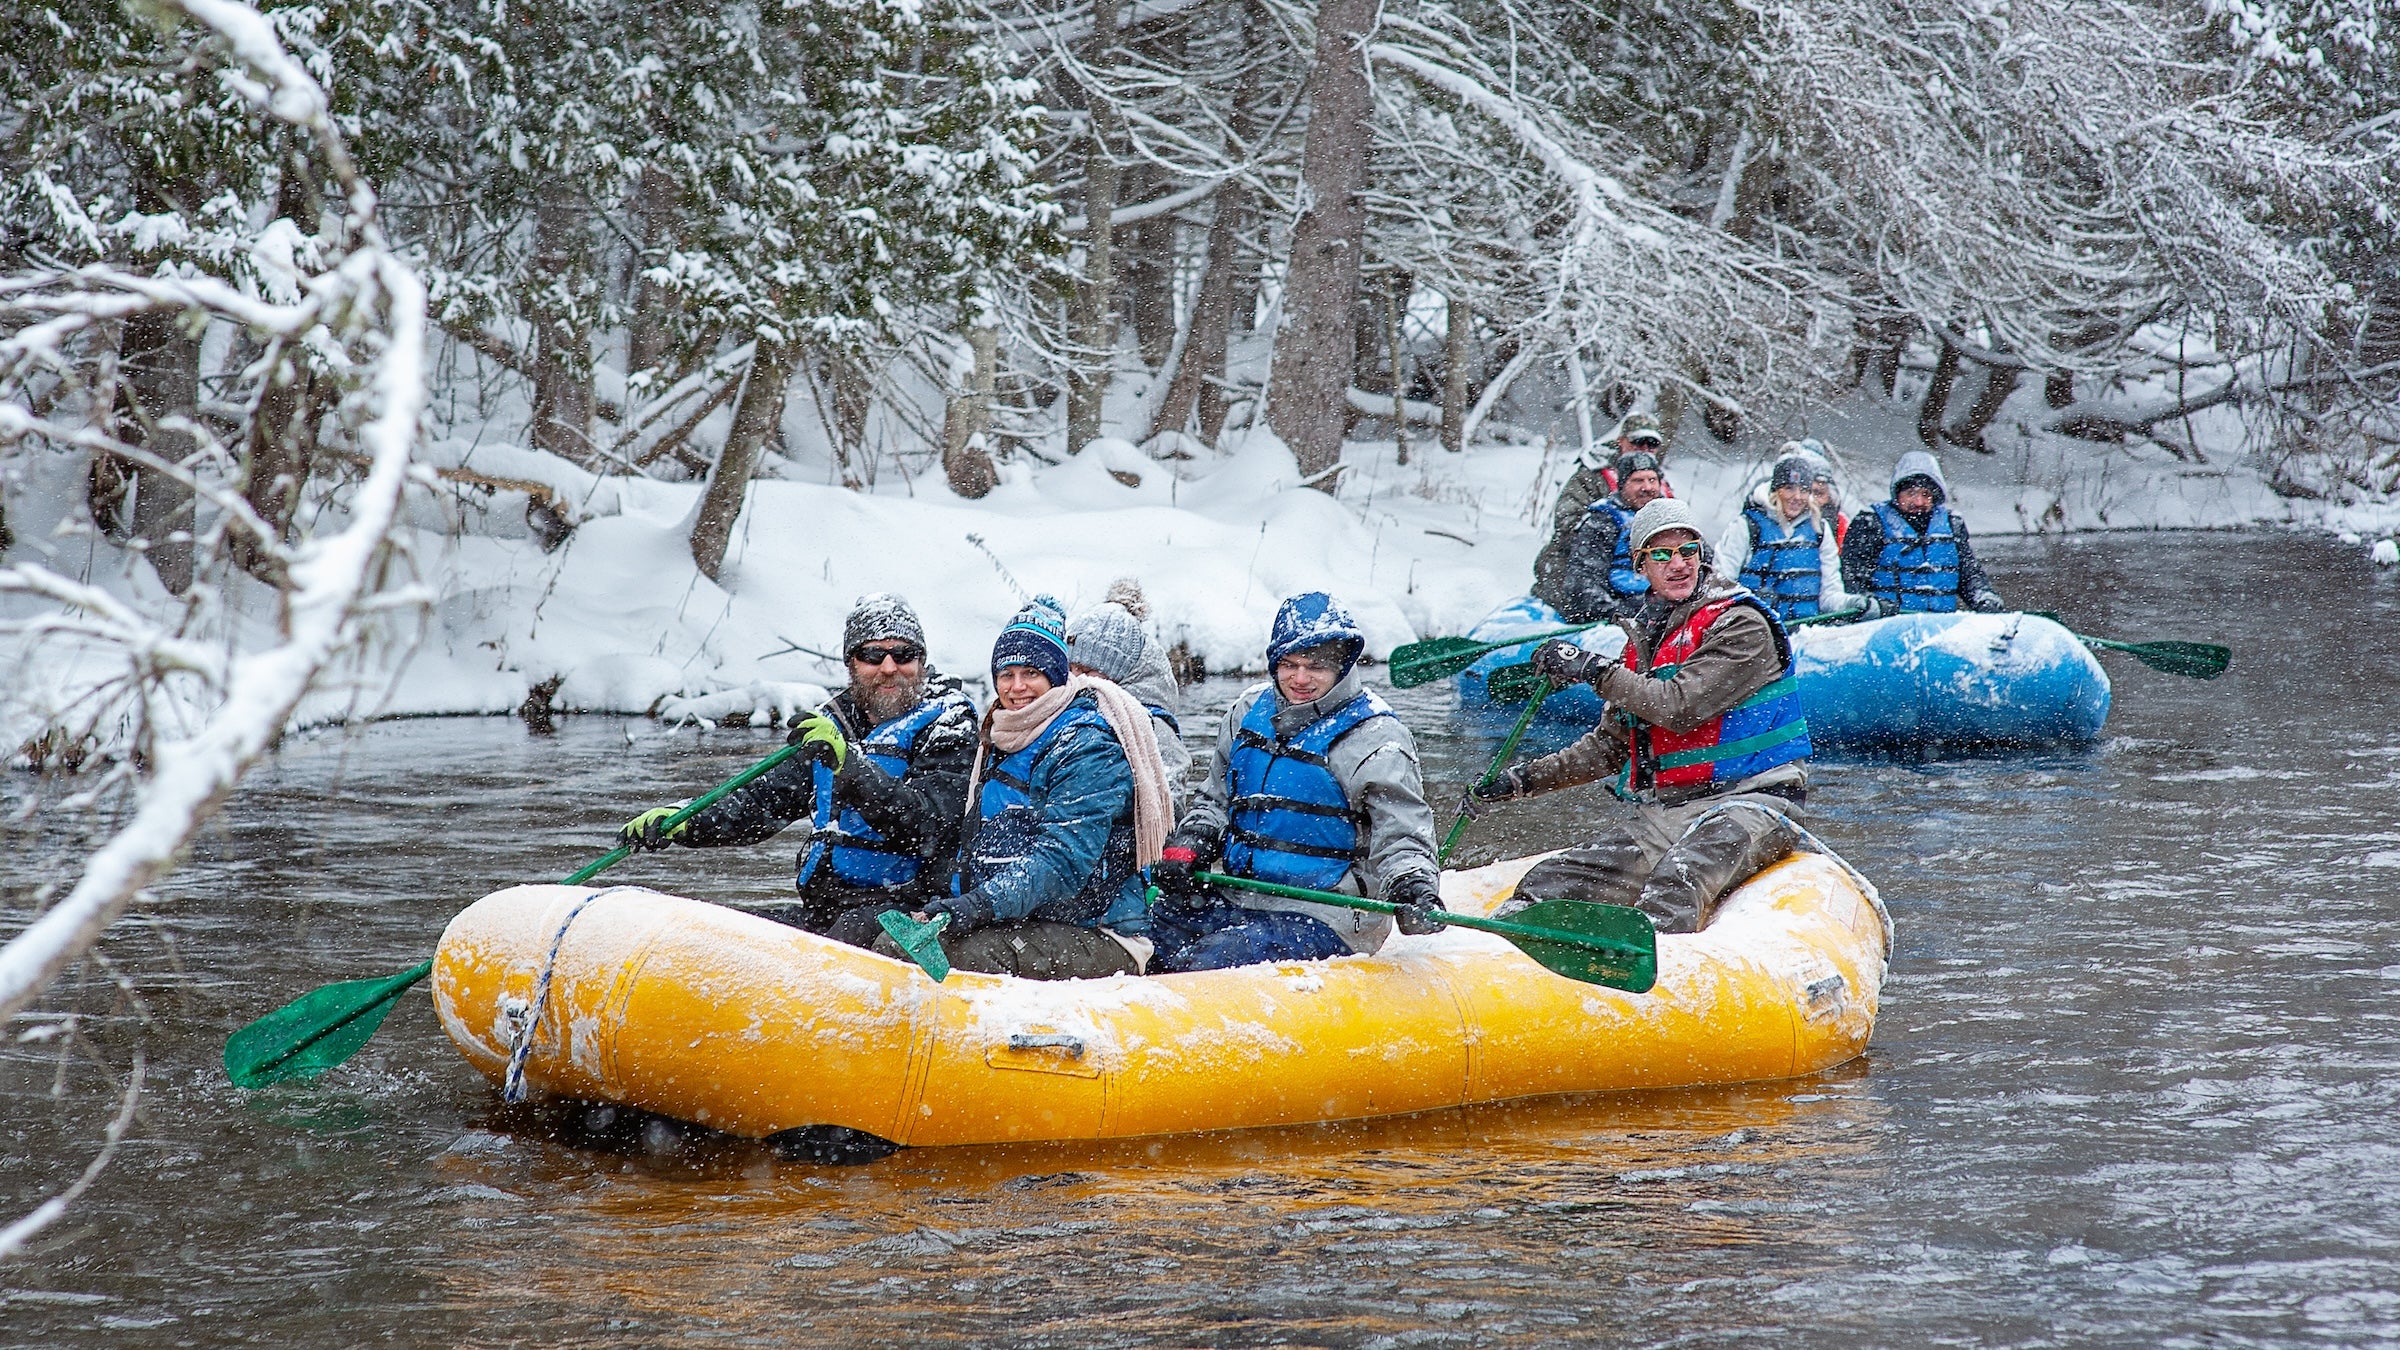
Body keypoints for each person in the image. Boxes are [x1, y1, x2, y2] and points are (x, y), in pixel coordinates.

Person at [1467, 499, 1810, 935]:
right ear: (1640, 565)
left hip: (1753, 801)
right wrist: (1519, 782)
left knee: (1675, 886)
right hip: (1669, 812)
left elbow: (1678, 707)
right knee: (1548, 885)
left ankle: (1664, 983)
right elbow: (1610, 748)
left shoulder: (1741, 625)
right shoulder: (1645, 640)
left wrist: (1591, 669)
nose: (1679, 564)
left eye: (1688, 551)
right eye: (1662, 555)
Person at [616, 593, 978, 943]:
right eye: (872, 655)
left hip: (910, 911)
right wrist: (684, 822)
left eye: (903, 654)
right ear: (851, 663)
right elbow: (757, 805)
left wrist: (850, 768)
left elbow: (927, 824)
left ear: (920, 661)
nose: (889, 667)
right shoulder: (831, 726)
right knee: (734, 933)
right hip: (827, 907)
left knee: (846, 935)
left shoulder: (950, 724)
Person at [872, 599, 1173, 979]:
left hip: (1101, 931)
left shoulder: (1087, 746)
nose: (1017, 688)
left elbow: (1063, 863)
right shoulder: (1002, 736)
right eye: (1006, 674)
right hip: (1021, 917)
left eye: (1031, 673)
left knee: (969, 959)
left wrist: (977, 906)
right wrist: (945, 906)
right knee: (892, 946)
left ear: (1057, 677)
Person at [1147, 592, 1445, 972]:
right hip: (1237, 895)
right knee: (1145, 938)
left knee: (1206, 965)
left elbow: (1402, 832)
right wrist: (1196, 839)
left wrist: (1412, 884)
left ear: (1342, 666)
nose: (1300, 679)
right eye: (1289, 664)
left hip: (1326, 914)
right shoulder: (1245, 713)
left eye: (1315, 667)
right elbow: (1216, 801)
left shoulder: (1377, 737)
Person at [1531, 411, 1669, 610]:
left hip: (1637, 568)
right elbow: (1566, 520)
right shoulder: (1592, 475)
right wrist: (1612, 533)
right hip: (1577, 561)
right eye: (1639, 442)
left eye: (1652, 444)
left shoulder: (1655, 480)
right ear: (1621, 441)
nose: (1645, 449)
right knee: (1582, 602)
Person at [1065, 598, 1193, 811]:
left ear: (1117, 672)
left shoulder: (1151, 725)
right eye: (1071, 668)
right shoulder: (1071, 705)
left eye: (1087, 671)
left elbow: (1170, 802)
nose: (1076, 679)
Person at [1839, 449, 2004, 614]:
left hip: (1941, 623)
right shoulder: (1870, 522)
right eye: (1911, 493)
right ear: (1898, 494)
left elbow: (1969, 575)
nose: (1918, 502)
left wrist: (1984, 598)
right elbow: (1852, 577)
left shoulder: (1952, 524)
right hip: (1889, 624)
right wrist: (1869, 605)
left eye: (1926, 494)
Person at [1711, 453, 1858, 624]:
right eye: (1789, 488)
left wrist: (1853, 603)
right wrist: (1751, 604)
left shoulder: (1820, 529)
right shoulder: (1746, 526)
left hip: (1809, 630)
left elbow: (1830, 596)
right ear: (1776, 490)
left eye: (1803, 490)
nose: (1797, 497)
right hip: (1757, 631)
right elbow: (1720, 588)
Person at [1543, 448, 1670, 622]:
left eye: (1652, 480)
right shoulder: (1603, 521)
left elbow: (1702, 562)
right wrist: (1619, 614)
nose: (1647, 487)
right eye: (1638, 480)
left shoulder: (1672, 517)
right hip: (1624, 607)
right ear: (1623, 484)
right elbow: (1583, 582)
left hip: (1669, 602)